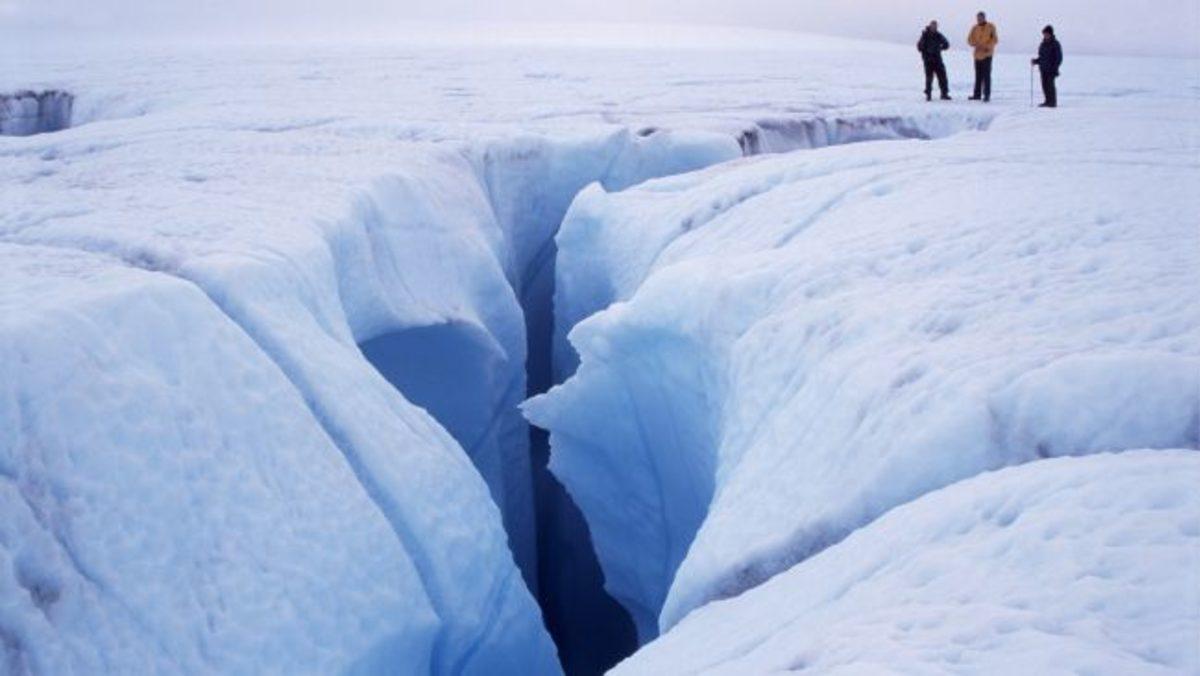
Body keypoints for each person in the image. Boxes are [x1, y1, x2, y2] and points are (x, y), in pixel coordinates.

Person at [967, 11, 999, 102]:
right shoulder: (974, 28)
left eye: (981, 18)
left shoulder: (991, 26)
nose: (979, 19)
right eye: (978, 18)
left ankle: (986, 95)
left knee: (986, 76)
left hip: (987, 55)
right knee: (978, 76)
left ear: (984, 18)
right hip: (977, 55)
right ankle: (977, 95)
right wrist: (975, 44)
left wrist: (987, 47)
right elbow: (969, 39)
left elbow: (995, 39)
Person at [917, 21, 952, 101]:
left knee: (942, 76)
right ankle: (928, 94)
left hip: (937, 59)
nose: (934, 28)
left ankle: (944, 94)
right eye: (932, 26)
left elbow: (946, 44)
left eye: (935, 26)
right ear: (930, 26)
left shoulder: (938, 35)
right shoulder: (925, 35)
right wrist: (925, 50)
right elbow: (919, 47)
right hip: (928, 60)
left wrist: (940, 48)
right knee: (929, 78)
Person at [1031, 25, 1063, 107]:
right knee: (1044, 86)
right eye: (1044, 34)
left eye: (1046, 34)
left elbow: (1059, 58)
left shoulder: (1055, 44)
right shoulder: (1043, 44)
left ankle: (1052, 102)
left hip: (1051, 70)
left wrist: (1055, 67)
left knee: (1050, 86)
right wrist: (1035, 61)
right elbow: (1042, 57)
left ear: (1050, 34)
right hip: (1043, 69)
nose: (1045, 35)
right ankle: (1047, 101)